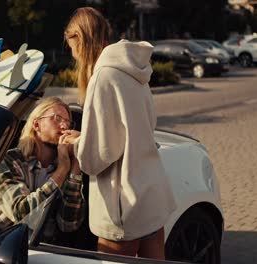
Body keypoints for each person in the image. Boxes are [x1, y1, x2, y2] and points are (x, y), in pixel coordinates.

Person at [62, 7, 177, 259]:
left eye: (72, 48)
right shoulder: (134, 70)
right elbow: (143, 125)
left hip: (123, 204)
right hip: (150, 193)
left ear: (80, 40)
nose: (74, 56)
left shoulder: (103, 77)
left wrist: (76, 144)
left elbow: (97, 157)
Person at [0, 97, 85, 243]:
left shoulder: (65, 165)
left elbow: (68, 224)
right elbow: (21, 214)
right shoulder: (10, 160)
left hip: (40, 253)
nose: (65, 126)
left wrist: (76, 162)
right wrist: (62, 170)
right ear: (36, 124)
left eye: (68, 122)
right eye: (57, 118)